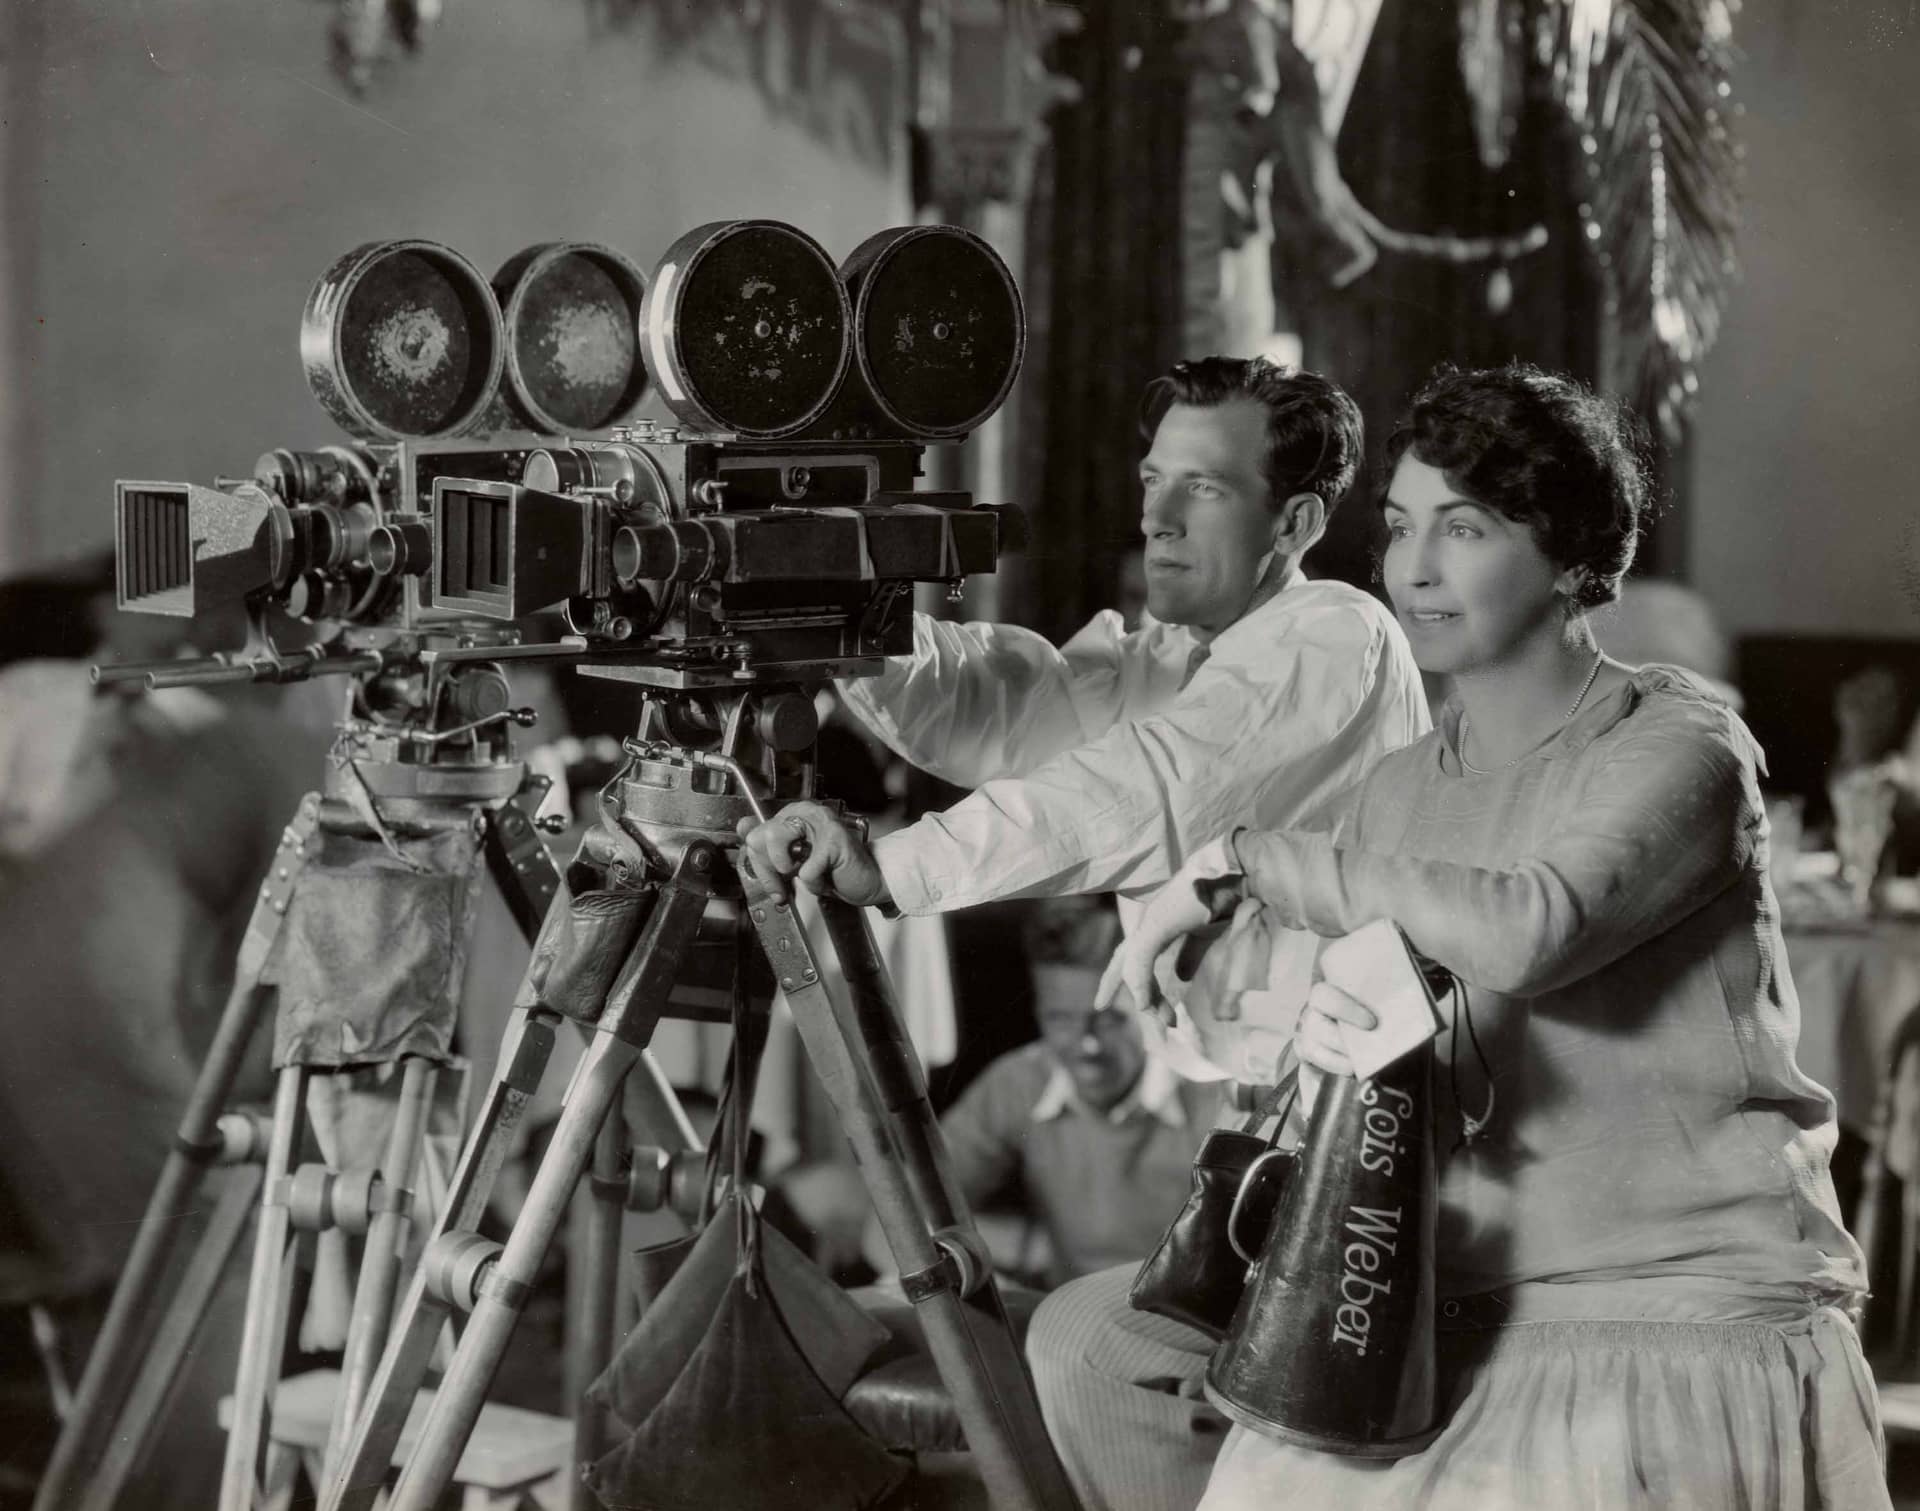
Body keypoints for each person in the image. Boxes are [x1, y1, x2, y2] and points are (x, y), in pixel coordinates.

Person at [1111, 363, 1889, 1510]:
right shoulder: (1395, 791)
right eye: (1399, 527)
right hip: (1462, 1305)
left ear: (1573, 556)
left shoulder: (1680, 740)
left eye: (1465, 528)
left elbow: (1530, 927)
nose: (1415, 568)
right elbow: (1385, 1081)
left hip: (1677, 1305)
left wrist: (1243, 858)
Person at [740, 355, 1431, 1510]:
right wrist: (841, 616)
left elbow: (1147, 787)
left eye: (1204, 488)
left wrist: (896, 866)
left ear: (1298, 521)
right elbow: (1004, 702)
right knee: (1080, 1359)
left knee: (1093, 1356)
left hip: (1374, 1144)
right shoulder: (1175, 656)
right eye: (1154, 479)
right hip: (1272, 1129)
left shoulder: (1331, 633)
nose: (1156, 515)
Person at [935, 898, 1227, 1289]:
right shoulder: (1017, 1083)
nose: (1087, 1045)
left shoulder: (1213, 1092)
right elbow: (903, 1220)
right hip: (1065, 1314)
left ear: (1151, 1003)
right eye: (1060, 1019)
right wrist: (1024, 1248)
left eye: (1109, 1020)